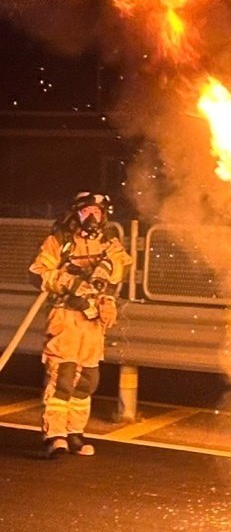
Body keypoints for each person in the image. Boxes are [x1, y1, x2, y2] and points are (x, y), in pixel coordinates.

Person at [30, 192, 131, 459]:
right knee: (63, 376)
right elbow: (38, 272)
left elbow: (121, 265)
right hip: (65, 316)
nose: (92, 218)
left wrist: (105, 280)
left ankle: (75, 433)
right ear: (77, 214)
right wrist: (70, 282)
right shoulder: (59, 241)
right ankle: (55, 436)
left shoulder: (109, 242)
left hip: (93, 321)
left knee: (87, 380)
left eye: (97, 213)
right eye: (87, 213)